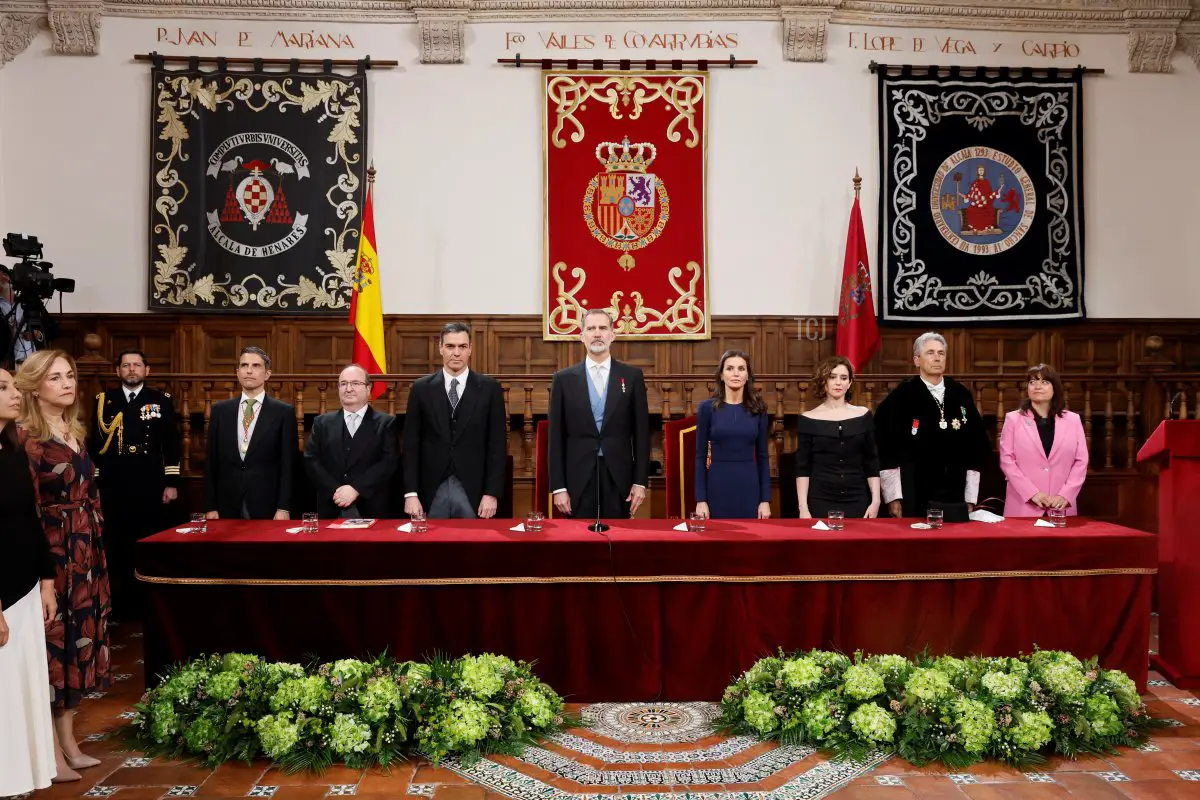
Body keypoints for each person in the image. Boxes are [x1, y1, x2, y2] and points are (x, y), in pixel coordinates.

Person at [14, 350, 110, 778]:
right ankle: (50, 750)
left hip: (85, 550)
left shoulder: (74, 430)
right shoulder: (26, 439)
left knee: (77, 645)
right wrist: (43, 572)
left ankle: (69, 740)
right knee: (52, 647)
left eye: (70, 375)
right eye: (55, 378)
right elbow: (27, 508)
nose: (67, 383)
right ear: (35, 385)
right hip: (53, 552)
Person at [0, 367, 60, 792]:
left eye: (14, 386)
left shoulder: (12, 449)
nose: (15, 394)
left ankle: (19, 775)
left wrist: (47, 579)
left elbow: (29, 519)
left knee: (21, 685)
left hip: (24, 584)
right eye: (3, 388)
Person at [87, 349, 180, 618]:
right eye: (126, 365)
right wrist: (96, 483)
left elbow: (171, 444)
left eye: (137, 365)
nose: (131, 369)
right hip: (115, 481)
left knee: (147, 539)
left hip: (149, 479)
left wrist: (171, 481)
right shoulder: (104, 400)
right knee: (116, 542)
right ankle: (119, 605)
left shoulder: (160, 400)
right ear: (118, 371)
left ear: (146, 370)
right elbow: (96, 444)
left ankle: (146, 604)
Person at [874, 332, 992, 518]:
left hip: (955, 489)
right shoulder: (902, 395)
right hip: (914, 490)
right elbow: (885, 447)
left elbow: (976, 446)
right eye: (930, 353)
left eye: (941, 353)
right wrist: (893, 497)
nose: (937, 358)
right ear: (917, 360)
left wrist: (970, 497)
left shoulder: (960, 393)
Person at [549, 309, 649, 519]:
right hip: (577, 476)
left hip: (619, 476)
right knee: (579, 545)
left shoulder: (631, 377)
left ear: (612, 335)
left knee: (618, 542)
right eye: (591, 328)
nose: (597, 333)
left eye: (603, 328)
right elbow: (555, 438)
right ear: (582, 335)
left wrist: (640, 481)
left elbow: (641, 434)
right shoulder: (563, 379)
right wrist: (558, 487)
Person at [403, 322, 507, 519]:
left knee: (472, 547)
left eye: (462, 346)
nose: (456, 353)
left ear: (470, 350)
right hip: (431, 490)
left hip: (474, 491)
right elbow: (411, 446)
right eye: (450, 346)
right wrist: (411, 493)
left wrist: (491, 493)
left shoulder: (489, 389)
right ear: (440, 348)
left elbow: (497, 446)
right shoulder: (421, 389)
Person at [203, 346, 297, 520]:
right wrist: (210, 505)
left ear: (267, 374)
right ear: (238, 372)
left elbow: (288, 464)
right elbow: (211, 461)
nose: (249, 371)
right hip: (226, 504)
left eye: (256, 366)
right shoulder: (220, 411)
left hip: (267, 503)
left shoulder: (283, 412)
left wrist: (283, 507)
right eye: (244, 365)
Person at [305, 364, 397, 519]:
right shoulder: (322, 423)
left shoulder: (385, 423)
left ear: (368, 388)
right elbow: (311, 460)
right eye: (343, 384)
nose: (348, 389)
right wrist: (337, 491)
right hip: (331, 506)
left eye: (355, 383)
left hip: (370, 506)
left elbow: (388, 462)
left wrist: (356, 489)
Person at [999, 364, 1090, 517]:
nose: (1037, 386)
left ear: (1055, 388)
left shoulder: (1073, 420)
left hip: (1061, 507)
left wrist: (1066, 495)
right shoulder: (1013, 420)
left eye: (1044, 382)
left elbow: (1081, 461)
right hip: (1023, 506)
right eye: (1032, 382)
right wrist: (1032, 493)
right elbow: (1007, 460)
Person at [795, 356, 881, 519]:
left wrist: (876, 501)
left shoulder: (863, 415)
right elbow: (803, 467)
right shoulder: (808, 418)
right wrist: (803, 508)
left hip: (857, 497)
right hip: (821, 498)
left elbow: (871, 461)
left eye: (843, 378)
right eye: (832, 377)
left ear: (849, 383)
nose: (838, 382)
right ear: (824, 382)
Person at [693, 350, 771, 519]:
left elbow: (764, 457)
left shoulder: (759, 409)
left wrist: (765, 499)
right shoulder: (707, 408)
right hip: (718, 484)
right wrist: (701, 499)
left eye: (741, 368)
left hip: (749, 485)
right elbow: (700, 456)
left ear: (748, 375)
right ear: (721, 375)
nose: (736, 373)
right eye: (730, 368)